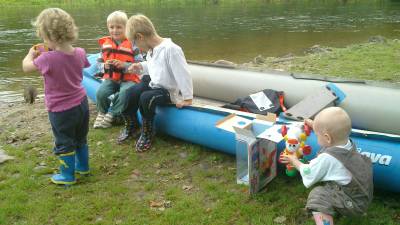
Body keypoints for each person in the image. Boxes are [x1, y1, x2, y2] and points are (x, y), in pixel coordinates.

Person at [22, 8, 90, 185]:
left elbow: (26, 67)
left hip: (61, 109)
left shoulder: (47, 59)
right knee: (80, 137)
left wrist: (30, 55)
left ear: (49, 37)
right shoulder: (81, 52)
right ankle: (83, 167)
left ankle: (67, 176)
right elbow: (68, 63)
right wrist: (49, 54)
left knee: (64, 141)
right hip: (82, 104)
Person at [281, 107, 373, 225]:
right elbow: (330, 134)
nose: (316, 137)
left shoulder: (328, 158)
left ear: (327, 137)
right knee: (330, 186)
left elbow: (308, 171)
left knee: (318, 195)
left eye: (318, 135)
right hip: (362, 196)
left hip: (352, 203)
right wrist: (315, 125)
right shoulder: (347, 144)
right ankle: (344, 206)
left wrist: (294, 161)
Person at [124, 14, 193, 152]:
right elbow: (154, 66)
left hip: (166, 92)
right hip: (155, 85)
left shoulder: (171, 49)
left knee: (145, 97)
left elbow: (183, 74)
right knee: (130, 92)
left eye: (135, 43)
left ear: (140, 37)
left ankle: (148, 132)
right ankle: (132, 125)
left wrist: (187, 98)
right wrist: (140, 67)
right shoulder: (152, 50)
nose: (136, 47)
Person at [93, 10, 143, 140]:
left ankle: (112, 113)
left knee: (124, 93)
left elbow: (141, 64)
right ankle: (102, 111)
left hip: (129, 79)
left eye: (119, 27)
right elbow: (99, 63)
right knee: (101, 93)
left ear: (126, 28)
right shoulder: (105, 44)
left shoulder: (133, 44)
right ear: (108, 28)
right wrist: (104, 66)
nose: (115, 30)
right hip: (112, 78)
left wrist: (125, 65)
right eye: (112, 27)